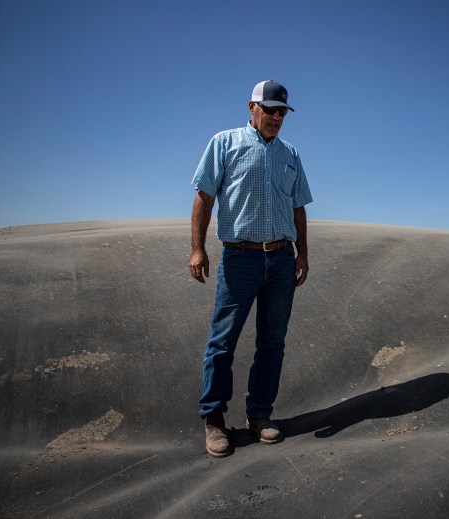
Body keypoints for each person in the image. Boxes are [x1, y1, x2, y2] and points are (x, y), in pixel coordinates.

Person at [189, 80, 313, 458]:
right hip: (239, 258)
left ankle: (259, 415)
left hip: (279, 260)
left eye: (282, 112)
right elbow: (204, 195)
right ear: (252, 107)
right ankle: (213, 420)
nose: (276, 117)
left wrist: (302, 253)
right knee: (222, 342)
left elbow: (298, 208)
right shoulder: (224, 143)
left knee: (272, 343)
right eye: (270, 109)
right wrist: (197, 249)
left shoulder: (290, 153)